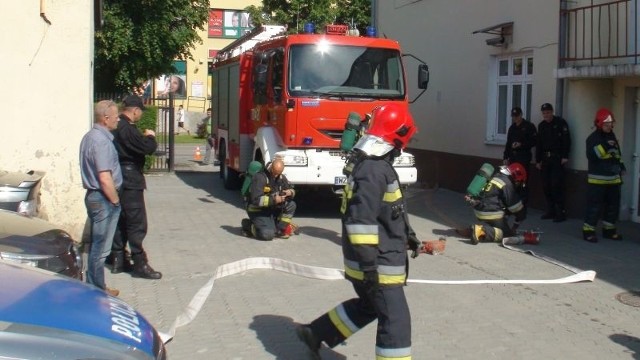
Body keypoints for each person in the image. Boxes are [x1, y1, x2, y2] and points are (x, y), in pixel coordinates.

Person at [296, 104, 421, 360]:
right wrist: (370, 268)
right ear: (397, 137)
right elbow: (361, 221)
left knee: (368, 307)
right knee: (395, 322)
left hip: (368, 262)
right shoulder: (375, 170)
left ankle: (317, 332)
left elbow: (387, 211)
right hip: (376, 265)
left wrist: (409, 237)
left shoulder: (373, 166)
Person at [110, 95, 162, 279]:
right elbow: (145, 148)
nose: (140, 115)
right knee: (136, 222)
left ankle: (118, 258)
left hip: (119, 176)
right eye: (140, 112)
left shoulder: (116, 126)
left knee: (121, 219)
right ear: (135, 110)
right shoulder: (127, 128)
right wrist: (150, 137)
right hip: (130, 177)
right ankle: (140, 262)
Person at [79, 100, 122, 297]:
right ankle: (95, 290)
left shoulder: (90, 136)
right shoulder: (101, 141)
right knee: (100, 248)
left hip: (96, 196)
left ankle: (97, 285)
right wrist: (115, 201)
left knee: (99, 246)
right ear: (105, 118)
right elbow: (105, 178)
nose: (118, 119)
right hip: (104, 198)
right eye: (115, 116)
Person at [582, 108, 626, 243]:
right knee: (594, 206)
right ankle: (588, 231)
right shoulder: (593, 138)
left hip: (613, 179)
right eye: (607, 124)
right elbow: (593, 156)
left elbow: (617, 154)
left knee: (613, 206)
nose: (610, 126)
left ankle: (609, 230)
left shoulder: (612, 136)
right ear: (599, 124)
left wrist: (622, 166)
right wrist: (606, 146)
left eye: (611, 124)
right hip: (598, 180)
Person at [467, 163, 528, 244]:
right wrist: (521, 215)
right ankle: (481, 231)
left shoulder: (496, 175)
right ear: (516, 176)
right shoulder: (507, 183)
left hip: (479, 208)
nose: (517, 184)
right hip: (491, 212)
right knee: (507, 234)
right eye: (518, 182)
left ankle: (481, 230)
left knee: (502, 217)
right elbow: (515, 206)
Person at [240, 158, 296, 240]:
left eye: (279, 173)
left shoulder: (281, 177)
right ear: (271, 168)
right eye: (275, 173)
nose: (276, 176)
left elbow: (290, 189)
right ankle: (248, 224)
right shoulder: (260, 177)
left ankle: (279, 230)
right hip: (258, 211)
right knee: (267, 235)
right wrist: (274, 200)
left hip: (271, 209)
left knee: (291, 205)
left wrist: (290, 192)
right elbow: (256, 200)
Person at [535, 103, 571, 222]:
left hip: (557, 159)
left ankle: (560, 212)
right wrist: (538, 160)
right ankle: (551, 210)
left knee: (556, 185)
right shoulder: (542, 126)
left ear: (552, 112)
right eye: (544, 113)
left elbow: (567, 140)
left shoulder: (560, 123)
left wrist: (565, 156)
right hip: (545, 159)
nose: (546, 115)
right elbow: (539, 144)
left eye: (548, 112)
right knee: (546, 186)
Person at [503, 107, 537, 208]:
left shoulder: (529, 126)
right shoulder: (512, 128)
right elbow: (508, 144)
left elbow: (534, 141)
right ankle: (514, 203)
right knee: (513, 181)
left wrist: (521, 144)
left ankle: (523, 204)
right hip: (513, 159)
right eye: (513, 116)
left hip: (523, 159)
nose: (515, 118)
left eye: (517, 116)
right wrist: (505, 157)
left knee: (523, 182)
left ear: (521, 115)